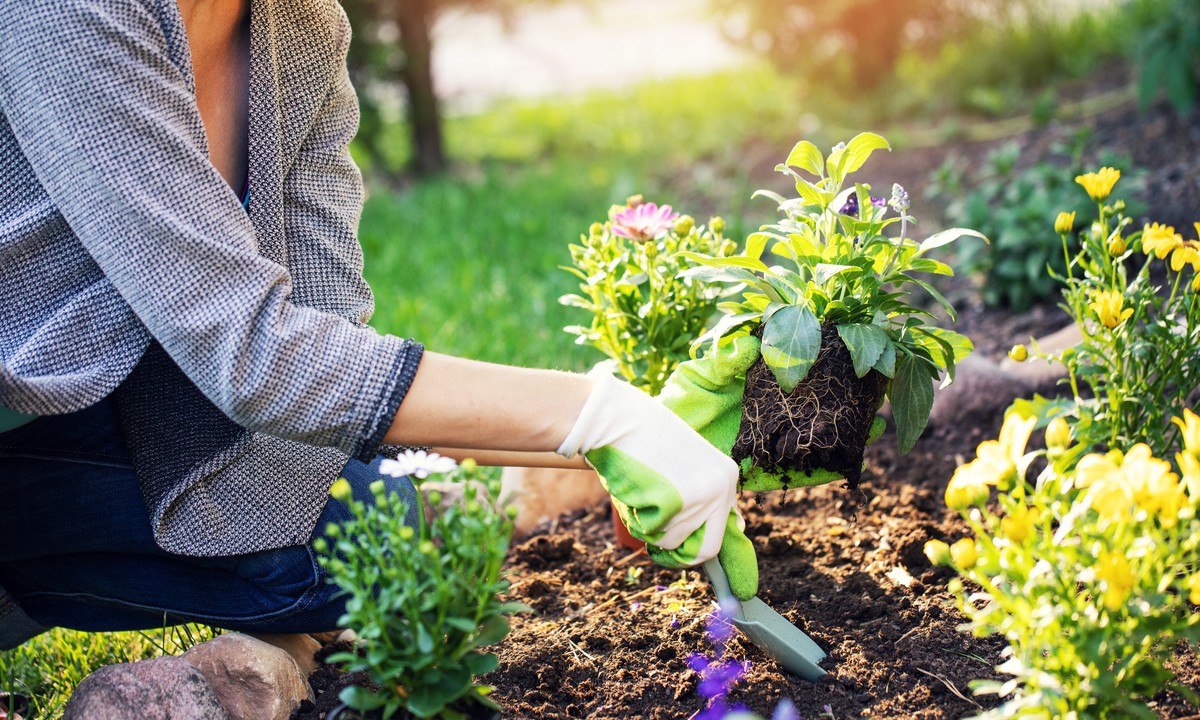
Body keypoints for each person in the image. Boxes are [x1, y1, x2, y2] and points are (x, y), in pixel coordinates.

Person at [0, 0, 753, 650]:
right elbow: (253, 354)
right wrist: (592, 415)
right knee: (315, 563)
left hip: (141, 402)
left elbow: (324, 348)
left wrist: (622, 445)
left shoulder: (299, 28)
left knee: (396, 536)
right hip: (27, 411)